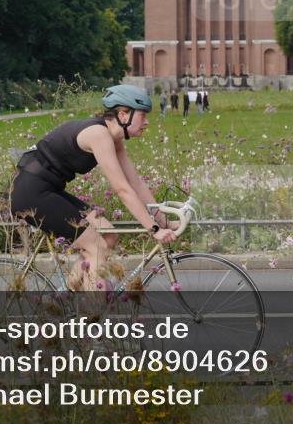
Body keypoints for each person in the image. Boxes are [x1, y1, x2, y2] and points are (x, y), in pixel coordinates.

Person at [9, 85, 177, 291]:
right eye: (142, 115)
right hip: (31, 193)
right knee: (96, 247)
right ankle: (91, 316)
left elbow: (135, 182)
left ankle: (66, 301)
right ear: (123, 115)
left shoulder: (114, 138)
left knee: (108, 235)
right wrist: (154, 229)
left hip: (48, 189)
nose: (147, 121)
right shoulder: (99, 135)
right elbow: (122, 190)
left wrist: (162, 221)